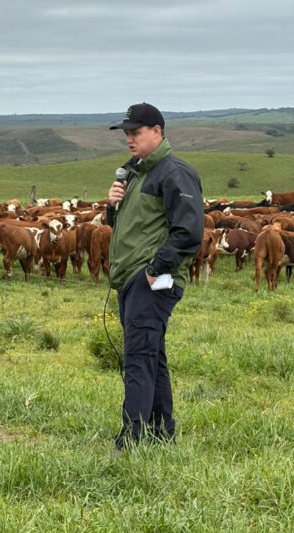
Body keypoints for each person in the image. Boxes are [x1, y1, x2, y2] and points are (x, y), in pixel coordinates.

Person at [106, 103, 204, 450]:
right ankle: (161, 432)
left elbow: (189, 231)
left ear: (157, 132)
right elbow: (127, 226)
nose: (130, 139)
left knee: (137, 358)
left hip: (152, 280)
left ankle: (131, 440)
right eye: (127, 134)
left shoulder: (173, 173)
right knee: (151, 355)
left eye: (136, 132)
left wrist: (153, 270)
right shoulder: (135, 173)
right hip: (133, 280)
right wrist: (112, 205)